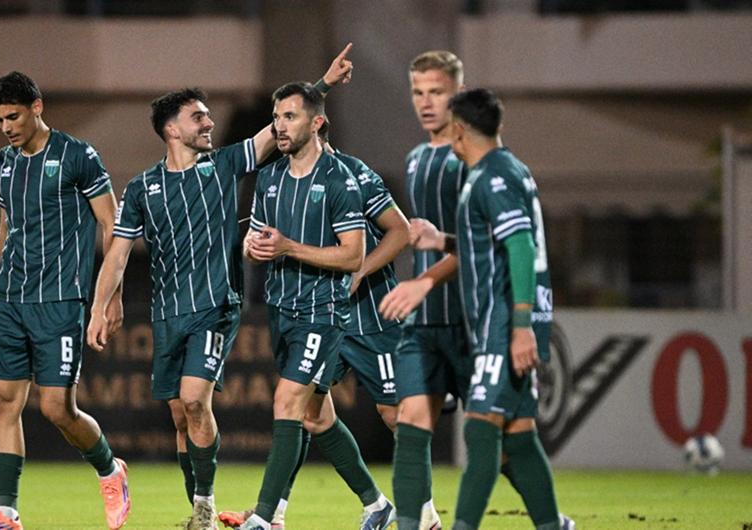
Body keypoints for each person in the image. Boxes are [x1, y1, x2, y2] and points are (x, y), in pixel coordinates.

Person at [86, 49, 355, 530]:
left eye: (208, 116)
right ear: (172, 129)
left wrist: (324, 84)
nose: (209, 123)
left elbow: (282, 127)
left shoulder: (224, 164)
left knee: (195, 400)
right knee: (180, 416)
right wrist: (99, 308)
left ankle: (206, 504)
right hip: (168, 314)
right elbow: (118, 254)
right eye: (199, 117)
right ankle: (198, 508)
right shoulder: (143, 188)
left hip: (216, 306)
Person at [220, 117, 409, 529]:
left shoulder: (353, 175)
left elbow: (400, 232)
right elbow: (261, 241)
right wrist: (254, 246)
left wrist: (359, 272)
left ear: (317, 131)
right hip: (317, 313)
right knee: (309, 411)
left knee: (394, 413)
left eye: (292, 122)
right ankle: (285, 512)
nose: (284, 134)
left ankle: (422, 510)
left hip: (368, 316)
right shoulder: (279, 179)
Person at [0, 71, 129, 530]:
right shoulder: (4, 162)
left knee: (57, 408)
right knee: (3, 401)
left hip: (60, 300)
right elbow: (7, 224)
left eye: (13, 117)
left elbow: (112, 224)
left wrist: (110, 297)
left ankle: (110, 470)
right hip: (10, 300)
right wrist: (2, 282)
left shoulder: (77, 156)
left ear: (37, 107)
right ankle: (6, 512)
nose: (6, 127)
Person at [403, 88, 574, 530]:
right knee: (518, 436)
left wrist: (520, 326)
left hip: (505, 320)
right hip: (501, 321)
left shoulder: (493, 177)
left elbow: (520, 246)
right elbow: (491, 244)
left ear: (460, 129)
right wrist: (441, 240)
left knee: (480, 429)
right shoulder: (503, 169)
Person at [378, 50, 468, 530]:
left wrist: (424, 281)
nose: (426, 102)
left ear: (458, 93)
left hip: (471, 321)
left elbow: (483, 242)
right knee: (410, 425)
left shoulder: (474, 157)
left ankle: (550, 519)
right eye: (418, 92)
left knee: (503, 444)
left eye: (437, 92)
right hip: (423, 322)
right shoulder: (415, 160)